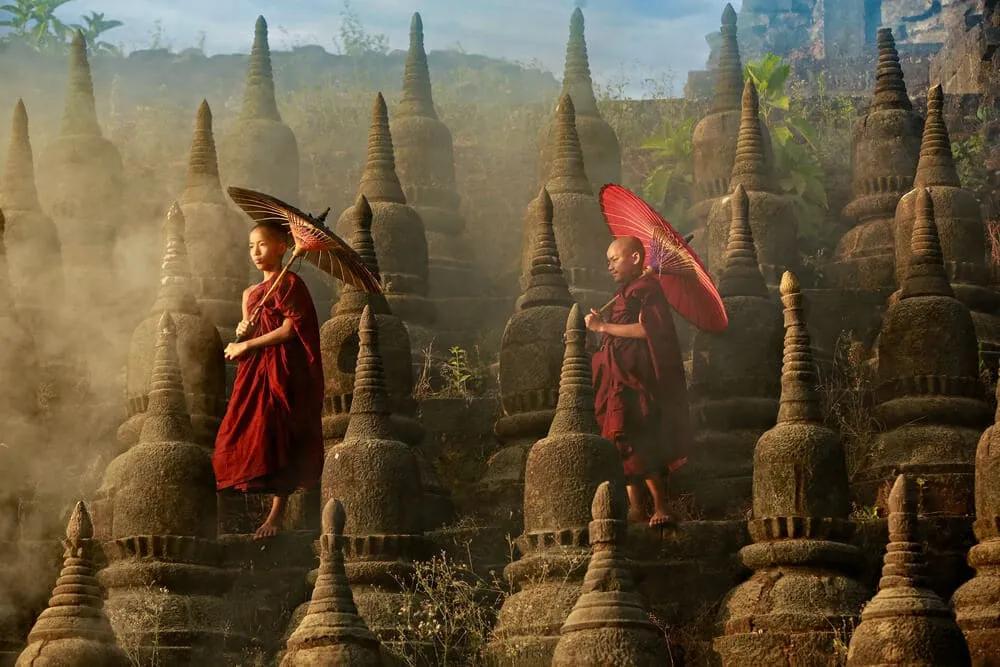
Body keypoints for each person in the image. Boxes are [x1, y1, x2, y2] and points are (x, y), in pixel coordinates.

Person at [213, 221, 324, 539]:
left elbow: (291, 330)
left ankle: (275, 515)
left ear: (282, 247)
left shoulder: (290, 283)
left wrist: (247, 343)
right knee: (236, 430)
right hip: (253, 370)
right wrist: (242, 333)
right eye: (251, 247)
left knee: (276, 431)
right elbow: (247, 326)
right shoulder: (250, 293)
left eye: (262, 244)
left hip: (282, 367)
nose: (256, 252)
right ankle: (226, 507)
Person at [585, 236, 692, 528]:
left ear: (635, 258)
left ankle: (659, 505)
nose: (609, 266)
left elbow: (649, 330)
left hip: (635, 375)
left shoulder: (647, 289)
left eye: (615, 259)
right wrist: (603, 323)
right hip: (616, 372)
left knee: (640, 435)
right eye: (607, 260)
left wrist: (603, 326)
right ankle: (636, 508)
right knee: (621, 440)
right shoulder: (628, 291)